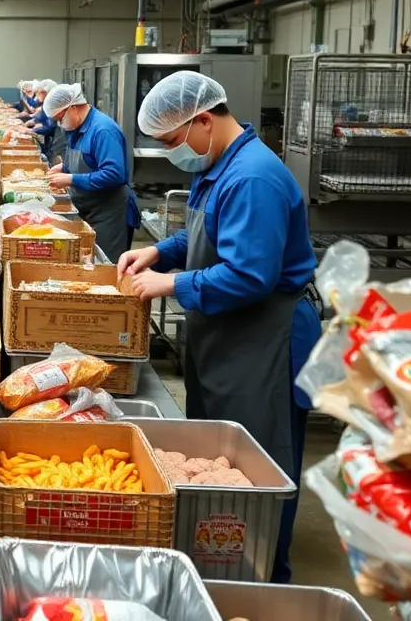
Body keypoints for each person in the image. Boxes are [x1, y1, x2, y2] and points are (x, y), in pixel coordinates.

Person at [116, 71, 320, 584]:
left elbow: (250, 275)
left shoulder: (253, 177)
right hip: (229, 337)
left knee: (260, 464)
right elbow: (203, 229)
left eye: (171, 141)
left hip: (266, 341)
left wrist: (170, 284)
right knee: (218, 459)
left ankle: (263, 578)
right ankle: (217, 559)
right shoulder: (221, 164)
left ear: (202, 120)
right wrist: (160, 249)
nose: (170, 153)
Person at [43, 82, 140, 262]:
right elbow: (88, 162)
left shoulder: (103, 130)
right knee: (86, 261)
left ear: (73, 109)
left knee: (105, 265)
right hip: (88, 206)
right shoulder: (76, 128)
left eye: (60, 119)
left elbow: (113, 174)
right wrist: (64, 168)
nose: (59, 124)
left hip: (109, 212)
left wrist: (71, 178)